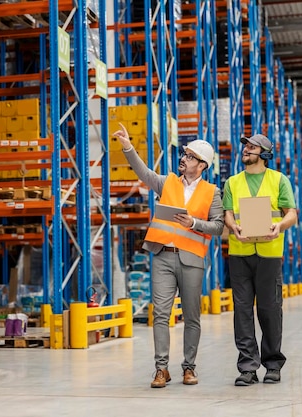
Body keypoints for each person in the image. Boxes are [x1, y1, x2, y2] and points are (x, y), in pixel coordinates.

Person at [112, 123, 224, 388]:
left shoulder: (212, 192)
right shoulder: (168, 182)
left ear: (202, 165)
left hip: (192, 259)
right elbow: (144, 173)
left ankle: (189, 367)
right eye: (184, 155)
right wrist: (128, 147)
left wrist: (194, 224)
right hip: (162, 255)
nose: (183, 159)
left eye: (190, 157)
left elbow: (219, 226)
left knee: (192, 316)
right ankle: (161, 369)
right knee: (160, 314)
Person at [222, 134, 298, 386]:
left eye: (251, 147)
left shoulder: (279, 180)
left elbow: (292, 214)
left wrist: (279, 226)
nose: (245, 150)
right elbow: (228, 215)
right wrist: (233, 228)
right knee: (242, 311)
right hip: (240, 252)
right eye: (245, 147)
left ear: (264, 153)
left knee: (269, 310)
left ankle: (273, 364)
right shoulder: (232, 182)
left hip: (269, 252)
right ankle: (247, 367)